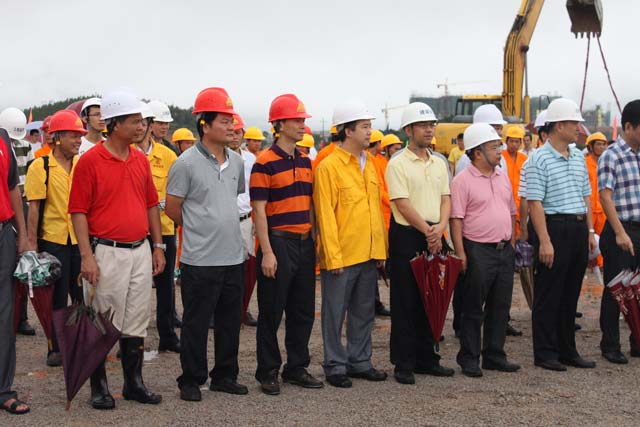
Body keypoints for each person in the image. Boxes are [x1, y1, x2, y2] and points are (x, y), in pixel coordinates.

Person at [69, 89, 164, 409]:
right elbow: (78, 211)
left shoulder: (140, 159)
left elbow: (151, 205)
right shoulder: (90, 161)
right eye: (135, 121)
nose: (142, 127)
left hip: (139, 250)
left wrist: (158, 246)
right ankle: (98, 387)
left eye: (142, 121)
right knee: (101, 320)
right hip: (105, 252)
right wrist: (86, 257)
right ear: (115, 124)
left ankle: (134, 384)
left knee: (136, 319)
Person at [166, 87, 247, 402]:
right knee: (196, 323)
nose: (231, 127)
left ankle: (224, 376)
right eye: (224, 121)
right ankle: (191, 379)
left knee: (229, 322)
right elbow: (173, 208)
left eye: (231, 121)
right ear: (205, 124)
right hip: (199, 259)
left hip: (233, 257)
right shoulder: (185, 163)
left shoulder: (236, 162)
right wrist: (200, 228)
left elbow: (231, 198)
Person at [250, 93, 323, 395]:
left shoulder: (306, 161)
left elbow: (310, 206)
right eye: (297, 120)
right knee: (271, 311)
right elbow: (258, 211)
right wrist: (267, 251)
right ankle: (268, 371)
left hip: (304, 244)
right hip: (277, 243)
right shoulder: (263, 163)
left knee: (303, 310)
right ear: (279, 124)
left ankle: (296, 367)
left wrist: (314, 241)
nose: (302, 125)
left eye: (303, 120)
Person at [314, 101, 388, 388]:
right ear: (348, 131)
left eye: (370, 126)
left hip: (367, 253)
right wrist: (332, 258)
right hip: (342, 256)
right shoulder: (329, 167)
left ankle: (360, 361)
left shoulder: (370, 164)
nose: (370, 132)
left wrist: (379, 250)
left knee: (363, 312)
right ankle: (335, 365)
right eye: (364, 127)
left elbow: (375, 210)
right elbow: (325, 215)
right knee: (334, 314)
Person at [386, 102, 455, 385]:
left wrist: (440, 228)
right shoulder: (397, 163)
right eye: (423, 125)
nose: (429, 130)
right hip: (408, 235)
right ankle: (404, 362)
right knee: (405, 301)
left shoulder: (439, 162)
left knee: (432, 298)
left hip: (435, 233)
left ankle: (428, 358)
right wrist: (429, 231)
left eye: (431, 125)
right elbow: (401, 203)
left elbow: (446, 198)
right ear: (409, 130)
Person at [526, 98, 597, 371]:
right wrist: (544, 241)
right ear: (558, 125)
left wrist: (589, 231)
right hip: (553, 227)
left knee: (570, 292)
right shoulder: (538, 159)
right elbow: (535, 204)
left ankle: (568, 350)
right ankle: (545, 352)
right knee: (548, 292)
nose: (579, 128)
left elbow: (586, 195)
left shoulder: (578, 156)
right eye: (574, 123)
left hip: (577, 227)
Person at [450, 123, 521, 378]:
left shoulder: (502, 176)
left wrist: (512, 243)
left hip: (503, 249)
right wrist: (461, 253)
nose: (500, 151)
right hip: (477, 249)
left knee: (500, 305)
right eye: (494, 147)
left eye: (499, 146)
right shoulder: (462, 181)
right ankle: (469, 358)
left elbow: (511, 211)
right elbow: (456, 219)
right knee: (473, 307)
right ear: (477, 152)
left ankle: (494, 355)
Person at [25, 110, 84, 367]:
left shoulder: (83, 165)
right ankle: (55, 347)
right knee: (57, 298)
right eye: (74, 135)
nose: (79, 140)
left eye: (80, 136)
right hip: (53, 242)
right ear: (58, 137)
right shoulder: (41, 167)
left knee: (81, 294)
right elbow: (34, 208)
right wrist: (32, 246)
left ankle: (80, 341)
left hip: (79, 241)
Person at [133, 104, 181, 353]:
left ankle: (167, 335)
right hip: (135, 230)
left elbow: (178, 190)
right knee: (135, 287)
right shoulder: (127, 153)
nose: (142, 127)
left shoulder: (168, 155)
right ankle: (132, 339)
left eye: (145, 122)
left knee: (165, 286)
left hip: (164, 228)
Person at [597, 100, 640, 365]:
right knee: (616, 289)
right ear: (629, 126)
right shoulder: (611, 155)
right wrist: (620, 233)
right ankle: (610, 344)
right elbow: (605, 196)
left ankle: (637, 340)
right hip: (620, 230)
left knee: (638, 289)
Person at [0, 127, 31, 415]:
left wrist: (22, 233)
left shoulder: (2, 138)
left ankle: (3, 390)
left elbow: (13, 189)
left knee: (4, 312)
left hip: (3, 235)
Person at [0, 107, 36, 336]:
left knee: (19, 266)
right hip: (8, 203)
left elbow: (26, 176)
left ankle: (20, 317)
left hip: (20, 201)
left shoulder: (25, 147)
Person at [229, 114, 258, 327]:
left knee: (249, 268)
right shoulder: (216, 158)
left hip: (246, 219)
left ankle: (242, 308)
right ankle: (223, 311)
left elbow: (256, 190)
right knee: (227, 268)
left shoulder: (251, 160)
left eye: (238, 132)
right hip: (225, 221)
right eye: (232, 132)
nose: (234, 136)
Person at [455, 104, 508, 176]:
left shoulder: (501, 160)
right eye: (497, 128)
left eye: (501, 128)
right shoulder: (466, 162)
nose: (500, 133)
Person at [585, 132, 607, 268]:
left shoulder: (606, 164)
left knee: (603, 241)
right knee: (586, 240)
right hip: (588, 210)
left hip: (603, 210)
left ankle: (601, 266)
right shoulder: (584, 164)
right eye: (598, 144)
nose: (602, 147)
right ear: (590, 146)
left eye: (603, 144)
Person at [502, 126, 528, 238]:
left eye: (517, 141)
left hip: (521, 204)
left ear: (521, 143)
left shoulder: (524, 159)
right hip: (504, 203)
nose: (514, 144)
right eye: (511, 141)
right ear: (506, 141)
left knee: (520, 236)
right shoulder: (501, 157)